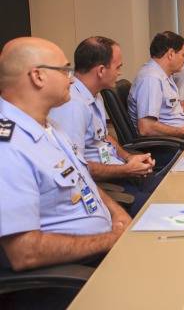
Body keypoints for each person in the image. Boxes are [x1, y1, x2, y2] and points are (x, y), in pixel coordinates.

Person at [0, 37, 130, 272]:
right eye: (64, 70)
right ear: (38, 76)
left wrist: (117, 214)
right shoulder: (8, 147)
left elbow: (83, 181)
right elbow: (24, 252)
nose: (71, 79)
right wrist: (111, 239)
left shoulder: (48, 125)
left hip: (104, 243)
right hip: (78, 268)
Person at [49, 36, 157, 214]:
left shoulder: (95, 94)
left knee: (166, 188)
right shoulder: (73, 106)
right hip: (103, 184)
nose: (120, 72)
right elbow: (76, 167)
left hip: (117, 170)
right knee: (157, 205)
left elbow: (103, 136)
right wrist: (125, 170)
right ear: (100, 70)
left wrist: (128, 157)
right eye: (118, 67)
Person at [128, 31, 184, 140]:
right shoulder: (151, 79)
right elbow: (146, 127)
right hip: (169, 143)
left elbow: (170, 114)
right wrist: (182, 132)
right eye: (183, 55)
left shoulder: (164, 75)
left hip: (177, 136)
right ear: (171, 54)